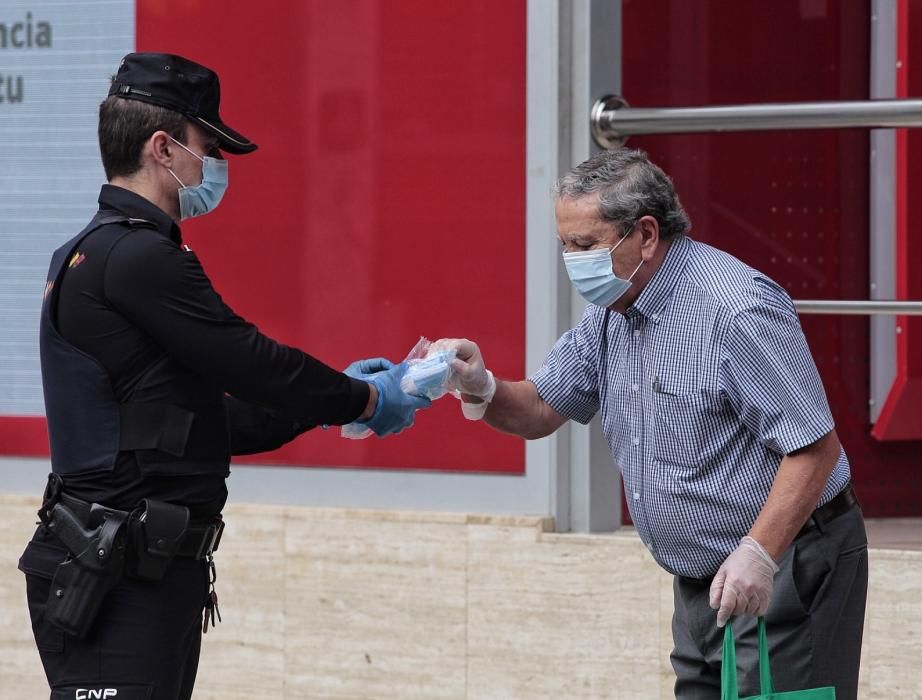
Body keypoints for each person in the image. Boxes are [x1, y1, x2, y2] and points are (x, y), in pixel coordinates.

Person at [18, 52, 428, 700]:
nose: (215, 166)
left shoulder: (99, 253)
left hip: (137, 573)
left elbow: (192, 424)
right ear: (163, 147)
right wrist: (368, 399)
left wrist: (324, 406)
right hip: (118, 578)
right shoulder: (137, 257)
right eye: (208, 147)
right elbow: (251, 360)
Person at [435, 148, 868, 699]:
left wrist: (761, 552)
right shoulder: (613, 313)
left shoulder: (734, 308)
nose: (572, 260)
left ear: (644, 233)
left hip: (788, 561)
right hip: (702, 581)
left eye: (586, 244)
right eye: (565, 245)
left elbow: (814, 447)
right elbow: (541, 408)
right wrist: (480, 386)